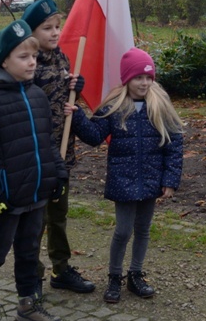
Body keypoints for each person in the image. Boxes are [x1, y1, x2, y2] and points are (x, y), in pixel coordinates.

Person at [0, 19, 67, 321]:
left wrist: (58, 174)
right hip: (6, 200)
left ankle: (28, 303)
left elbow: (47, 140)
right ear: (3, 60)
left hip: (35, 195)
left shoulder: (37, 95)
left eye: (33, 57)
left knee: (28, 253)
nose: (32, 62)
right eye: (23, 57)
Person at [67, 47, 184, 303]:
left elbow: (174, 146)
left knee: (143, 230)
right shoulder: (114, 107)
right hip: (123, 180)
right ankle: (114, 276)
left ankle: (136, 275)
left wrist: (170, 180)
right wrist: (76, 116)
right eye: (138, 78)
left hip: (151, 180)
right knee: (122, 231)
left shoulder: (160, 106)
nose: (144, 83)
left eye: (148, 77)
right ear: (127, 79)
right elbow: (94, 136)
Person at [22, 0, 96, 294]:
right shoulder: (28, 63)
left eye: (57, 27)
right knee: (35, 220)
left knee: (58, 216)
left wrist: (75, 88)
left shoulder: (63, 59)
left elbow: (65, 101)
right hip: (36, 156)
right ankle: (32, 275)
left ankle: (61, 269)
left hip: (62, 154)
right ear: (32, 32)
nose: (55, 33)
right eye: (47, 28)